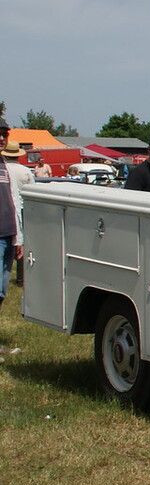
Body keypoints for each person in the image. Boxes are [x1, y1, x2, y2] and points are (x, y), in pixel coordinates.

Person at [0, 120, 30, 360]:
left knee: (1, 292)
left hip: (7, 235)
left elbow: (12, 201)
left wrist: (17, 236)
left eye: (4, 134)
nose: (2, 138)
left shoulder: (4, 166)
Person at [1, 139, 33, 290]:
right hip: (21, 210)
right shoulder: (25, 170)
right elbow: (33, 190)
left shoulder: (5, 168)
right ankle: (22, 278)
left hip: (9, 214)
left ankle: (18, 278)